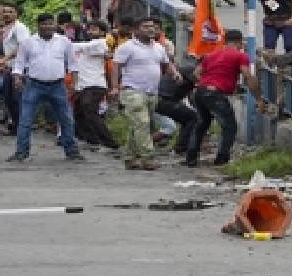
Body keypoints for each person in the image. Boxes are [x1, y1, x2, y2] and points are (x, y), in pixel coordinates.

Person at [7, 13, 83, 162]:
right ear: (38, 25)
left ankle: (71, 151)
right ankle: (21, 152)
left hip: (58, 85)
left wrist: (74, 84)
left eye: (51, 24)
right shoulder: (28, 42)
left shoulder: (64, 42)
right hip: (34, 84)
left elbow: (73, 65)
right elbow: (19, 64)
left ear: (55, 25)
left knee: (66, 119)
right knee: (25, 120)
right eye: (44, 24)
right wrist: (17, 78)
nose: (48, 27)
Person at [110, 16, 180, 171]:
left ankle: (130, 157)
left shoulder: (158, 47)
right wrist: (115, 87)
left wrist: (175, 74)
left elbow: (166, 64)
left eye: (153, 27)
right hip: (132, 91)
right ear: (136, 30)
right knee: (142, 123)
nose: (150, 29)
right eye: (146, 26)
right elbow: (116, 67)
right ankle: (147, 158)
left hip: (151, 92)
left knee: (139, 126)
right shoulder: (128, 47)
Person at [185, 29, 261, 167]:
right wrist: (258, 98)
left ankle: (191, 157)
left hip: (200, 92)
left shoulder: (211, 55)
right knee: (229, 126)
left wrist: (210, 82)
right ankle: (221, 159)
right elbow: (248, 76)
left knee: (201, 124)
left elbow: (196, 73)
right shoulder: (240, 56)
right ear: (239, 42)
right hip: (215, 94)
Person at [72, 20, 117, 150]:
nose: (90, 32)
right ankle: (91, 139)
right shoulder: (90, 44)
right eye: (89, 29)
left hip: (95, 84)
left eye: (94, 29)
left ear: (102, 32)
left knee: (90, 110)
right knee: (80, 113)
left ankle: (109, 142)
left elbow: (78, 47)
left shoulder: (100, 44)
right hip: (84, 84)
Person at [0, 3, 30, 135]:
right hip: (9, 68)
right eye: (4, 12)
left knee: (17, 99)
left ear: (16, 13)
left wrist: (5, 59)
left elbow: (23, 47)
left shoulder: (20, 28)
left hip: (19, 69)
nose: (7, 14)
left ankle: (22, 128)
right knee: (9, 98)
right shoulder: (5, 29)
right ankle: (15, 126)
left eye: (10, 12)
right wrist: (4, 63)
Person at [155, 64, 199, 157]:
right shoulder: (190, 69)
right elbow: (198, 84)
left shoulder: (188, 71)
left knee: (188, 118)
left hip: (162, 100)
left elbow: (192, 95)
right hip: (164, 100)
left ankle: (181, 147)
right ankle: (180, 149)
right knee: (193, 118)